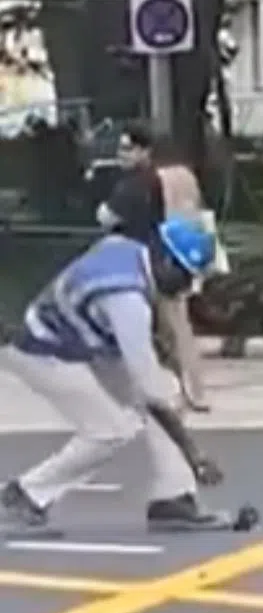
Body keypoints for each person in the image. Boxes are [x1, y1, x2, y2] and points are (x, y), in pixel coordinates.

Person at [0, 217, 227, 533]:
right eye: (186, 277)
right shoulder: (126, 301)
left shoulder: (125, 249)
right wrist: (195, 455)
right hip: (41, 350)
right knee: (110, 430)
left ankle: (173, 497)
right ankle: (24, 496)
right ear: (165, 260)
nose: (188, 289)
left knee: (167, 392)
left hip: (83, 342)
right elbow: (149, 392)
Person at [151, 138, 215, 413]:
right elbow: (197, 212)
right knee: (180, 322)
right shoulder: (188, 177)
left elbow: (158, 216)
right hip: (191, 250)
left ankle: (186, 389)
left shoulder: (159, 179)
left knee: (172, 325)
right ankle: (194, 387)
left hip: (167, 250)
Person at [96, 122, 165, 255]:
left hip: (133, 257)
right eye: (120, 149)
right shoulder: (159, 176)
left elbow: (105, 218)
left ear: (146, 151)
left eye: (127, 149)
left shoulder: (131, 185)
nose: (120, 154)